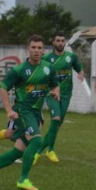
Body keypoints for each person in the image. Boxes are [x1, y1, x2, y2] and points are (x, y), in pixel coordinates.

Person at [0, 35, 60, 190]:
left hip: (36, 113)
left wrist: (56, 91)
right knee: (36, 142)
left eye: (39, 48)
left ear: (43, 50)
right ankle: (23, 179)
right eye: (33, 47)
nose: (36, 51)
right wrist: (9, 110)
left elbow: (54, 85)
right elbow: (3, 88)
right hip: (22, 110)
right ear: (28, 49)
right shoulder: (19, 70)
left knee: (18, 152)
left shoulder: (48, 68)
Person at [31, 31, 85, 163]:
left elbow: (79, 68)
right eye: (58, 40)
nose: (60, 43)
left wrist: (81, 74)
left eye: (62, 40)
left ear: (65, 42)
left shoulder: (71, 57)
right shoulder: (47, 59)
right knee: (55, 119)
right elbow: (39, 73)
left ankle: (38, 152)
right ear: (53, 42)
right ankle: (50, 150)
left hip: (66, 94)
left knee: (57, 124)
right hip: (52, 94)